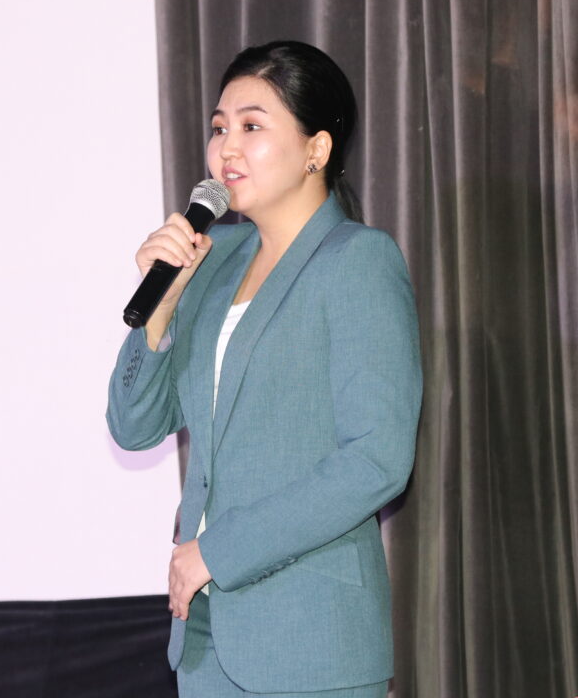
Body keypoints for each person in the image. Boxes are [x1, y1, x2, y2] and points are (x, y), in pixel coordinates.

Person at [106, 40, 422, 698]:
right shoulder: (212, 259)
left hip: (311, 638)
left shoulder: (356, 260)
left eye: (252, 126)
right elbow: (134, 428)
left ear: (316, 149)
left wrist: (216, 552)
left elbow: (377, 458)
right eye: (219, 127)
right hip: (206, 642)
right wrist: (161, 308)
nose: (227, 148)